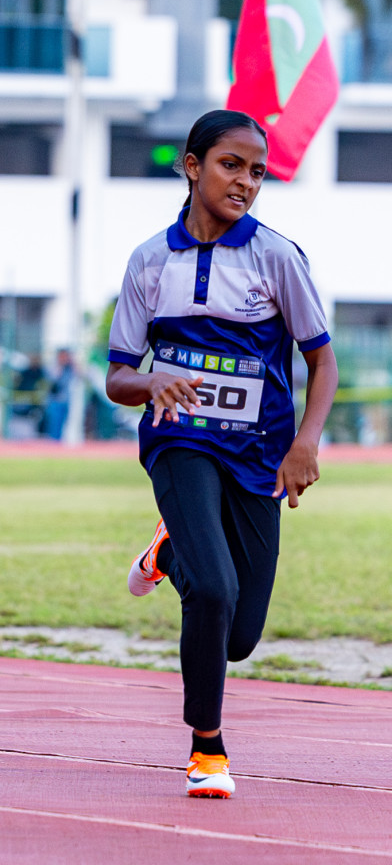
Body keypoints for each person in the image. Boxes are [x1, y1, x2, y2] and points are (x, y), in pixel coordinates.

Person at [106, 109, 337, 799]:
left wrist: (305, 443)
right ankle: (207, 747)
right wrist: (151, 380)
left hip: (261, 453)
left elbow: (321, 362)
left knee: (237, 635)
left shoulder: (277, 257)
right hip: (180, 441)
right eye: (231, 165)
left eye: (257, 172)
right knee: (212, 590)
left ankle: (166, 553)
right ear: (192, 165)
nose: (245, 182)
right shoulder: (151, 259)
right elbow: (118, 375)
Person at [42, 347, 75, 440]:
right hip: (55, 400)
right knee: (54, 425)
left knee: (64, 425)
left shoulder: (69, 368)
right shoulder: (53, 367)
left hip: (66, 400)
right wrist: (60, 365)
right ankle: (53, 444)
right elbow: (53, 380)